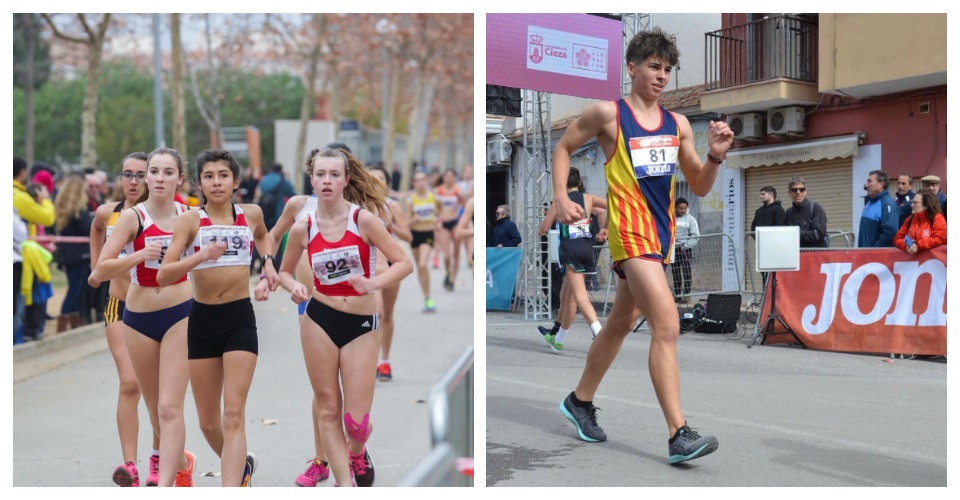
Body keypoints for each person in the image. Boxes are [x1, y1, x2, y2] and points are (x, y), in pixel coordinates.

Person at [551, 28, 730, 464]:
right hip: (630, 234)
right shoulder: (607, 115)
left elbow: (701, 187)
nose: (661, 75)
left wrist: (715, 157)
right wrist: (560, 197)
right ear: (631, 67)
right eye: (654, 66)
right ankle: (678, 434)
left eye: (667, 69)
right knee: (666, 323)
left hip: (662, 236)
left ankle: (579, 400)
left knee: (619, 323)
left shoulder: (679, 124)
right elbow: (563, 147)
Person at [277, 147, 413, 487]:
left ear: (345, 180)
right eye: (320, 175)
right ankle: (343, 483)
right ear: (312, 179)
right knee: (327, 407)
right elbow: (284, 271)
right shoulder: (303, 227)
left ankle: (357, 450)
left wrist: (372, 282)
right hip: (318, 318)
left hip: (360, 325)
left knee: (356, 423)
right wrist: (292, 286)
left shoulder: (363, 220)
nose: (326, 181)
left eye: (334, 175)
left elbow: (403, 263)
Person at [157, 149, 277, 487]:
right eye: (209, 176)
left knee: (233, 414)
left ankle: (232, 486)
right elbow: (165, 274)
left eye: (223, 175)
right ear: (199, 183)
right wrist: (200, 257)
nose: (216, 182)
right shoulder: (191, 221)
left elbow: (264, 237)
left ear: (235, 181)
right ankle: (241, 467)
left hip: (239, 318)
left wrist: (268, 265)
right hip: (203, 319)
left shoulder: (250, 214)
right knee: (208, 423)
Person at [94, 147, 197, 487]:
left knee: (169, 408)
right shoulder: (131, 217)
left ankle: (167, 482)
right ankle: (183, 462)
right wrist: (139, 253)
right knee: (154, 411)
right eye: (154, 171)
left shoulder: (190, 215)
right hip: (137, 317)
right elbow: (103, 268)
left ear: (180, 178)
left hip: (181, 313)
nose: (159, 178)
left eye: (169, 172)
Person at [87, 152, 160, 487]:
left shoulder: (163, 214)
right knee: (130, 382)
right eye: (127, 174)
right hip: (119, 305)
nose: (133, 181)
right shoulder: (109, 212)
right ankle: (129, 464)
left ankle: (160, 457)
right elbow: (97, 228)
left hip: (157, 307)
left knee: (158, 390)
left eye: (140, 175)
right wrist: (96, 268)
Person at [536, 167, 607, 351]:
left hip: (570, 249)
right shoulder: (589, 198)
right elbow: (608, 207)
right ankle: (557, 338)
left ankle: (600, 334)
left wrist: (543, 229)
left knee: (580, 298)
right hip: (586, 247)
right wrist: (603, 229)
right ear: (580, 183)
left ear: (561, 183)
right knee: (567, 296)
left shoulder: (560, 202)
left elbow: (543, 228)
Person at [367, 165, 413, 381]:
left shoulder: (392, 206)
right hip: (370, 260)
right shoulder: (359, 205)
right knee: (378, 311)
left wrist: (390, 225)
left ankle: (384, 361)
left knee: (388, 313)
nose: (377, 182)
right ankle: (371, 360)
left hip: (391, 260)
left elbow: (408, 236)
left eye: (381, 179)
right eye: (372, 178)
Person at [53, 173, 95, 331]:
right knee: (74, 291)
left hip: (68, 255)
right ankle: (63, 324)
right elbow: (87, 228)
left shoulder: (64, 209)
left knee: (74, 289)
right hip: (79, 256)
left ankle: (74, 320)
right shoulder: (79, 210)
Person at [407, 171, 439, 312]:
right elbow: (406, 222)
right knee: (420, 268)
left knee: (423, 264)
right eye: (417, 180)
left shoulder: (433, 197)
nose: (420, 183)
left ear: (426, 181)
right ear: (414, 183)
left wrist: (438, 219)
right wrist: (415, 219)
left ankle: (428, 297)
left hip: (428, 234)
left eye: (422, 180)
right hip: (414, 235)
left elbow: (441, 211)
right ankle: (426, 297)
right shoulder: (410, 200)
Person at [435, 168, 465, 291]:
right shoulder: (438, 191)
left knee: (456, 253)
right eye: (447, 176)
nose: (449, 178)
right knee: (447, 255)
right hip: (444, 223)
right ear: (444, 178)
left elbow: (465, 206)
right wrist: (436, 220)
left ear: (455, 178)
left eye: (451, 176)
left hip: (455, 222)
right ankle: (448, 273)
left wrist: (462, 220)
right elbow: (434, 208)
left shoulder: (458, 191)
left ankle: (453, 279)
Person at [783, 176, 829, 248]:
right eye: (794, 190)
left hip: (813, 255)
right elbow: (785, 235)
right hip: (794, 255)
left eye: (801, 189)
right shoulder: (788, 212)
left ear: (806, 192)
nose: (798, 192)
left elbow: (819, 233)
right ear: (789, 193)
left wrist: (796, 234)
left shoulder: (815, 208)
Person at [858, 170, 898, 248]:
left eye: (870, 182)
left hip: (874, 257)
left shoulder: (887, 204)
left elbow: (890, 233)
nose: (866, 185)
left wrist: (873, 251)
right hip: (864, 256)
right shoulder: (869, 203)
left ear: (881, 184)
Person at [672, 197, 700, 302]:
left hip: (685, 250)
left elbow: (695, 235)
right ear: (675, 208)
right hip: (673, 250)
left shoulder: (691, 219)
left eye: (684, 208)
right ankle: (678, 294)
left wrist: (686, 246)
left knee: (687, 272)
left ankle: (686, 295)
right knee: (676, 273)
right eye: (680, 208)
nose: (682, 210)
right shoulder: (671, 218)